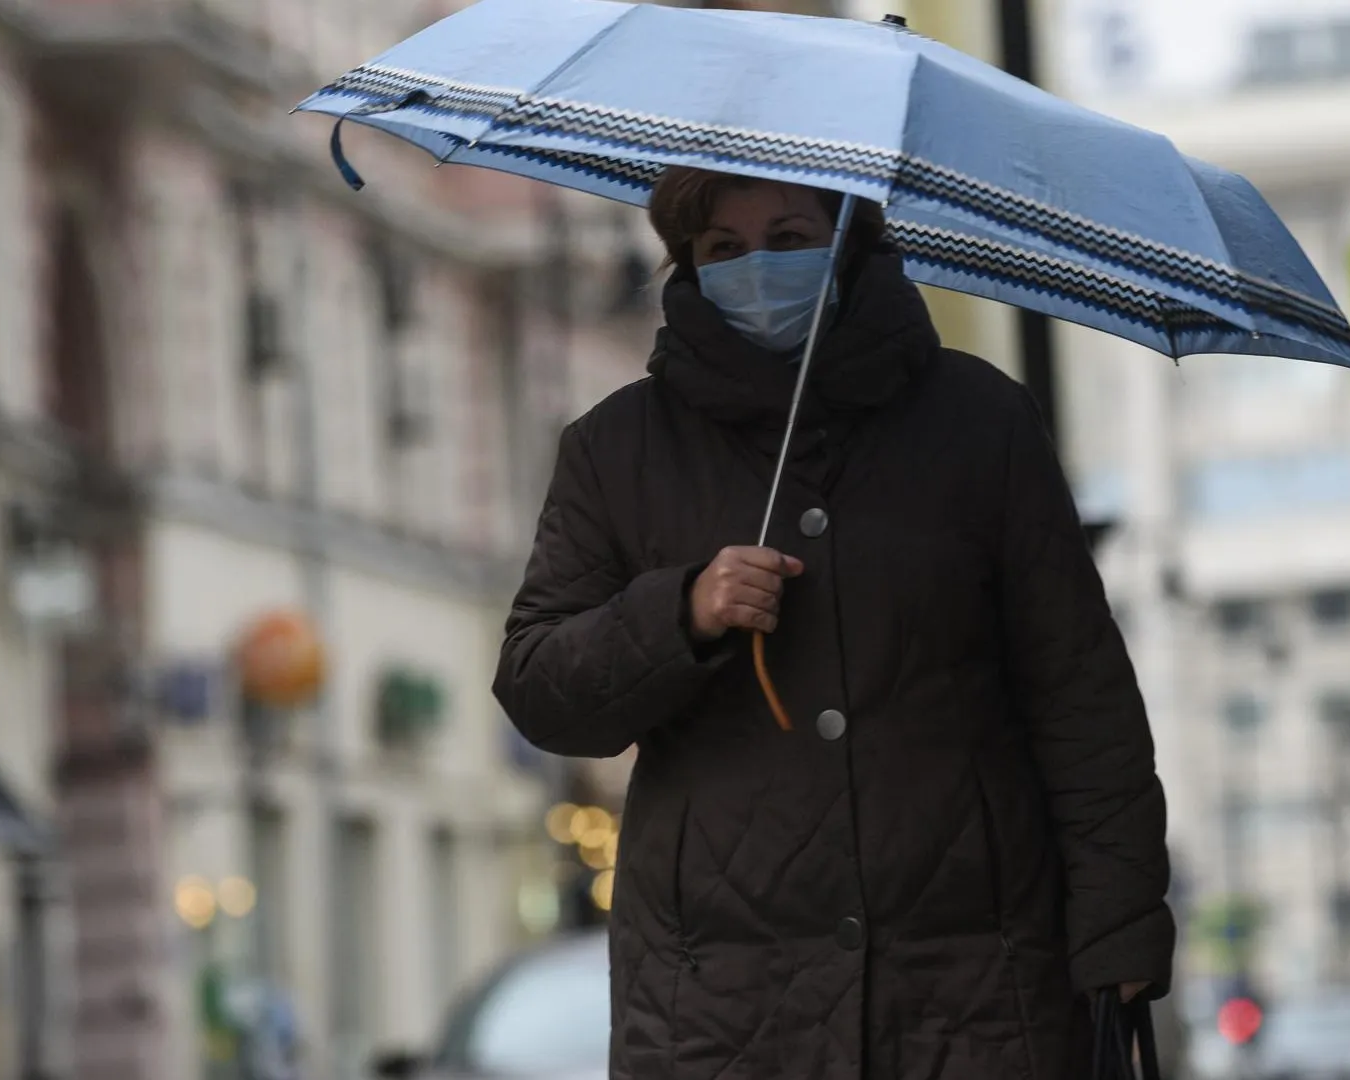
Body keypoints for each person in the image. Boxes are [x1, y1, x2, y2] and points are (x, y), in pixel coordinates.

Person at [493, 167, 1175, 1080]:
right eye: (723, 249)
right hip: (721, 1008)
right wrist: (681, 610)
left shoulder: (980, 423)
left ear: (848, 245)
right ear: (686, 264)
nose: (757, 268)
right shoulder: (617, 448)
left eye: (787, 238)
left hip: (970, 987)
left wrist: (1119, 941)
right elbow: (541, 688)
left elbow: (1082, 699)